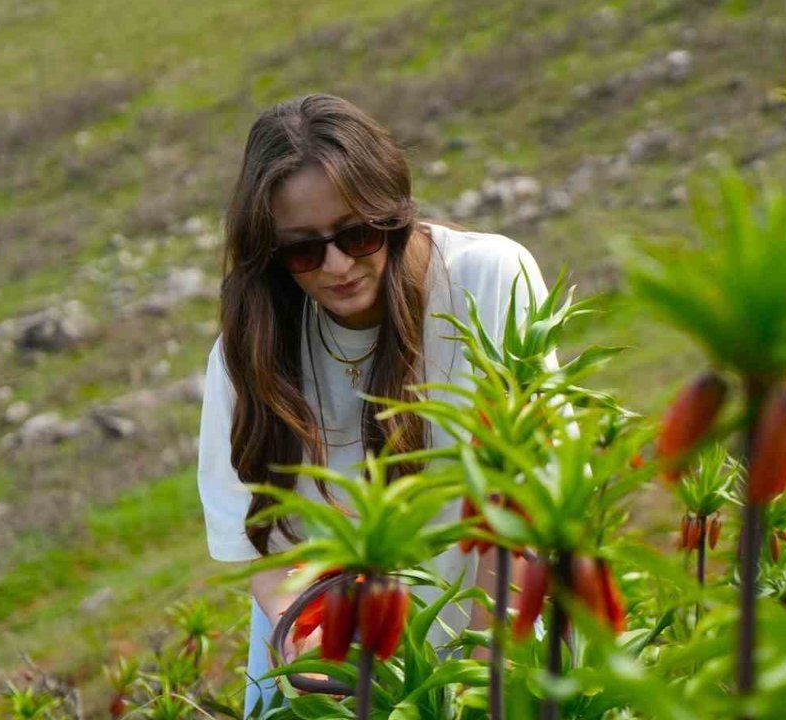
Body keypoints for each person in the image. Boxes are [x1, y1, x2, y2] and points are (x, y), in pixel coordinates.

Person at [195, 93, 550, 718]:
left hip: (495, 634)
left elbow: (523, 496)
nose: (337, 266)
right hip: (332, 668)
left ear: (392, 212)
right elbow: (261, 543)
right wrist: (313, 660)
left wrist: (481, 681)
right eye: (303, 250)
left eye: (357, 233)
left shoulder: (488, 278)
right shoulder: (248, 350)